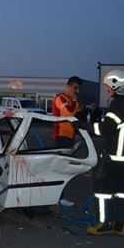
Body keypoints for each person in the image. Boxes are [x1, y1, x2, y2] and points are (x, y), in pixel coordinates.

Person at [87, 69, 124, 237]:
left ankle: (105, 224)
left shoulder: (117, 104)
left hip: (115, 157)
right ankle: (121, 226)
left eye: (108, 87)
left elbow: (106, 128)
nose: (107, 90)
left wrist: (84, 127)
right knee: (123, 191)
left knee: (102, 189)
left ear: (116, 85)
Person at [52, 76, 82, 207]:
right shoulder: (61, 98)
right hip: (61, 136)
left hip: (69, 137)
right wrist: (75, 102)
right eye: (75, 88)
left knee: (64, 168)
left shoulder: (71, 100)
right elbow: (68, 114)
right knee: (61, 168)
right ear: (68, 86)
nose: (77, 91)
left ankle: (59, 197)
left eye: (78, 89)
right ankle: (58, 198)